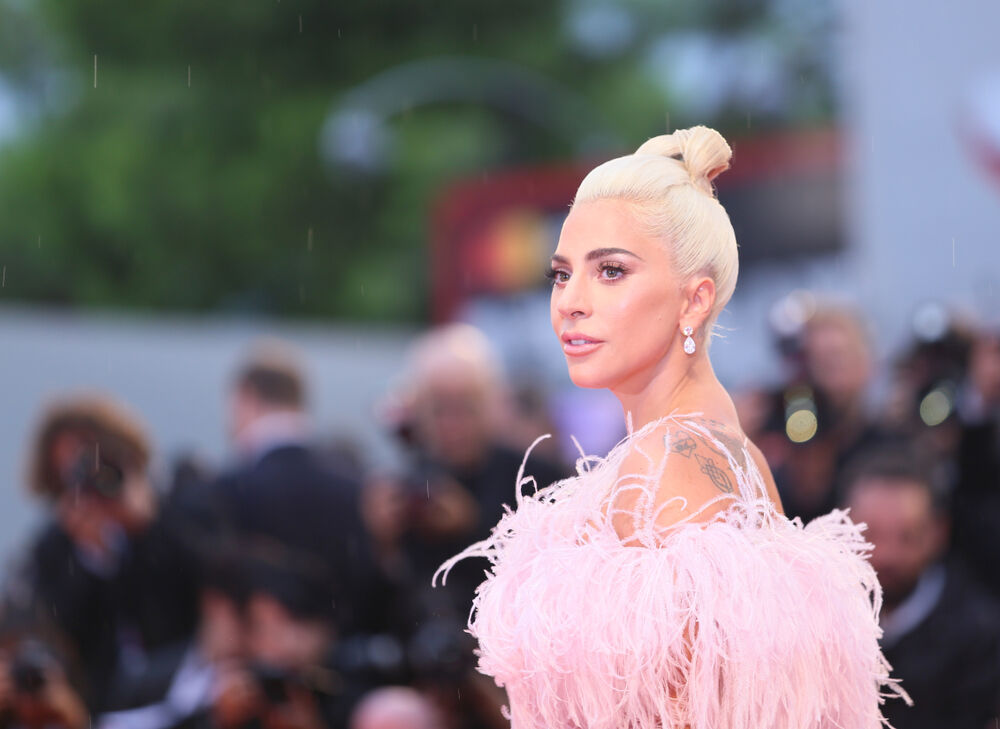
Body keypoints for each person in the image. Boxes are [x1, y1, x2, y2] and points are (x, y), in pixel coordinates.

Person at [435, 126, 905, 728]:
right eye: (561, 273)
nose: (570, 300)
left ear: (694, 300)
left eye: (610, 271)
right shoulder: (716, 447)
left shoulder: (672, 461)